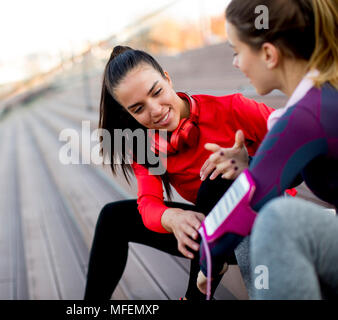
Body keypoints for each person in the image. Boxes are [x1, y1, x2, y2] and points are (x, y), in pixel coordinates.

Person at [83, 45, 274, 300]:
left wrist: (248, 164)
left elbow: (298, 140)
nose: (155, 110)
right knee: (113, 218)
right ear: (127, 112)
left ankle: (193, 297)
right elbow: (148, 203)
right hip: (212, 233)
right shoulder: (147, 146)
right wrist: (171, 218)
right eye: (138, 108)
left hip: (267, 224)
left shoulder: (233, 109)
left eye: (157, 92)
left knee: (214, 182)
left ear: (167, 78)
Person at [196, 0, 338, 299]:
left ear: (269, 54)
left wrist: (207, 260)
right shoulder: (322, 94)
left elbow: (245, 202)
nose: (236, 63)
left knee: (277, 220)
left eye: (237, 52)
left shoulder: (305, 115)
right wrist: (251, 165)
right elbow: (291, 173)